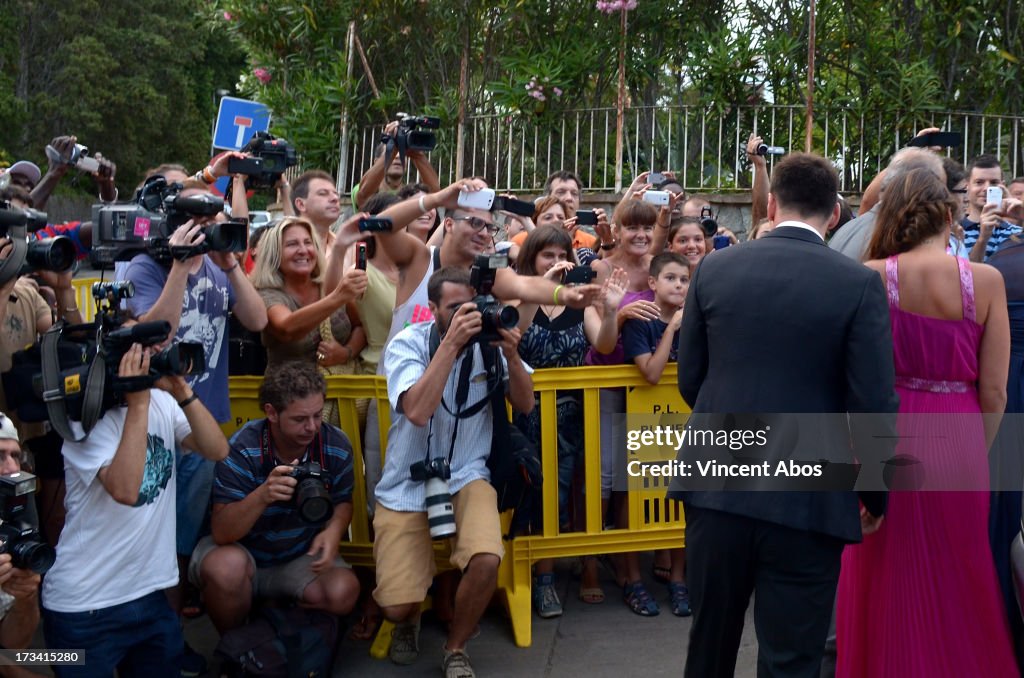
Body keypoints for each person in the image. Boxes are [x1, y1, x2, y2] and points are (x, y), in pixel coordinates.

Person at [672, 152, 899, 677]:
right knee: (792, 659)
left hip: (718, 482)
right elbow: (873, 402)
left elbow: (691, 380)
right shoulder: (857, 284)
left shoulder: (715, 268)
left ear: (771, 204)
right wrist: (873, 493)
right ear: (836, 213)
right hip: (810, 495)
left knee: (709, 645)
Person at [836, 168, 1018, 677]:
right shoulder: (985, 280)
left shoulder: (869, 275)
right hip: (958, 436)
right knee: (960, 577)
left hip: (885, 439)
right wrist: (971, 452)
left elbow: (854, 381)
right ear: (949, 216)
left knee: (882, 574)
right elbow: (995, 390)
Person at [373, 267, 534, 678]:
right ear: (431, 309)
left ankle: (456, 647)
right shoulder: (407, 344)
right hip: (407, 481)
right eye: (455, 309)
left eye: (474, 308)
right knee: (396, 605)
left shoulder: (490, 344)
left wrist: (512, 356)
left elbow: (525, 404)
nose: (469, 317)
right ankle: (409, 617)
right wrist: (450, 344)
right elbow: (417, 410)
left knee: (485, 559)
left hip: (467, 471)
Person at [42, 340, 229, 677]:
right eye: (143, 353)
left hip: (149, 596)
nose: (152, 359)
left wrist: (181, 390)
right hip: (85, 608)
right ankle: (12, 662)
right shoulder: (84, 420)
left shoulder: (162, 403)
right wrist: (138, 404)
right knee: (24, 662)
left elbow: (216, 450)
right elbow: (126, 490)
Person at [190, 362, 360, 633]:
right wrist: (262, 496)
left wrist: (334, 531)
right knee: (225, 570)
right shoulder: (242, 448)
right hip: (243, 552)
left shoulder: (334, 444)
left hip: (296, 554)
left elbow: (343, 501)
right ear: (271, 412)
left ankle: (273, 624)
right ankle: (236, 647)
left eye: (317, 415)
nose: (312, 427)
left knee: (343, 592)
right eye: (299, 419)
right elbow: (221, 533)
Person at [512, 225, 626, 618]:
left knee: (561, 496)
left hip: (572, 415)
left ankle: (547, 578)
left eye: (562, 253)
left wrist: (610, 311)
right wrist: (539, 287)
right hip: (525, 413)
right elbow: (517, 332)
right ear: (532, 259)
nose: (557, 261)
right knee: (531, 493)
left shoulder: (580, 303)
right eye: (547, 254)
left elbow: (605, 344)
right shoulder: (518, 295)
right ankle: (530, 576)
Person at [621, 252, 691, 617]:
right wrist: (671, 329)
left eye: (684, 279)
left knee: (679, 498)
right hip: (641, 423)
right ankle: (633, 580)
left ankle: (679, 580)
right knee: (633, 501)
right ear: (653, 283)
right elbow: (650, 371)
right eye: (671, 279)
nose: (679, 285)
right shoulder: (641, 320)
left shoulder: (693, 319)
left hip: (681, 424)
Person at [251, 216, 367, 374]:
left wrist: (346, 352)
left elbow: (360, 326)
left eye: (308, 242)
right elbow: (286, 329)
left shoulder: (330, 284)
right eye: (292, 244)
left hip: (341, 393)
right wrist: (337, 297)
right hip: (289, 393)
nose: (303, 250)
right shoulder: (266, 293)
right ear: (274, 254)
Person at [0, 412, 41, 655]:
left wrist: (26, 600)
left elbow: (12, 646)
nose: (13, 468)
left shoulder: (14, 520)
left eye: (16, 456)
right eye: (0, 456)